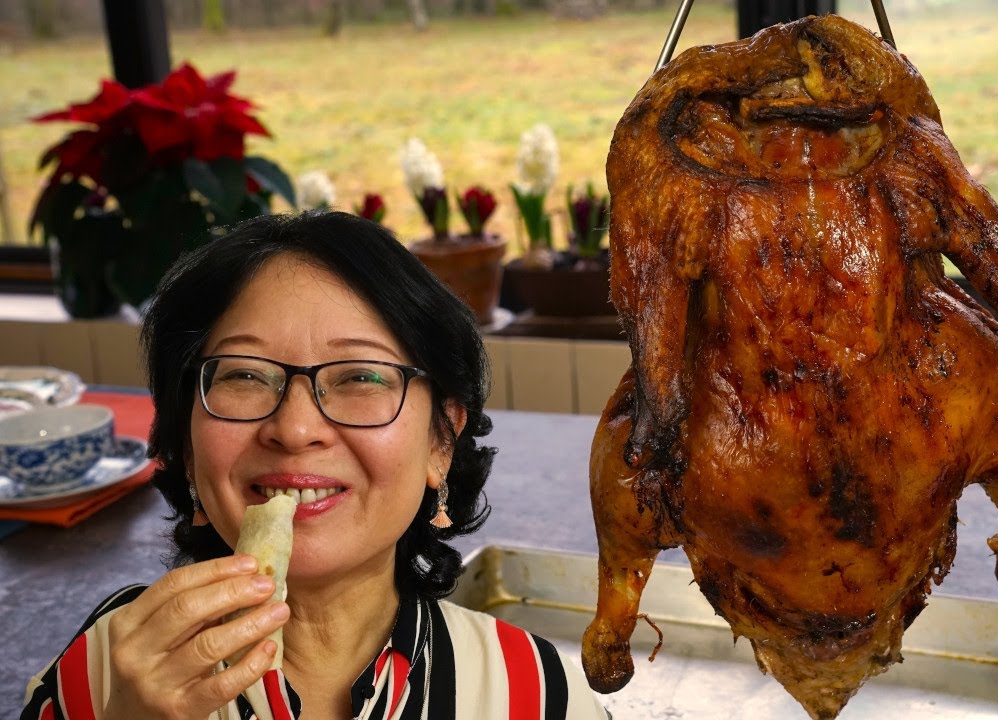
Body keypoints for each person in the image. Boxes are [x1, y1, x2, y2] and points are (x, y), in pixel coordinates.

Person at [22, 211, 609, 720]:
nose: (296, 429)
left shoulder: (536, 695)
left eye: (359, 376)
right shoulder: (108, 668)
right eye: (245, 376)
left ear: (440, 442)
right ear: (186, 440)